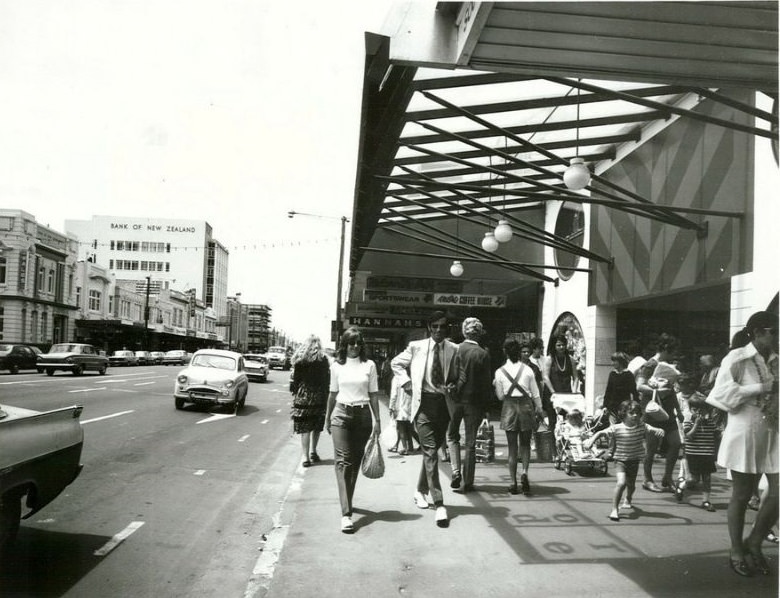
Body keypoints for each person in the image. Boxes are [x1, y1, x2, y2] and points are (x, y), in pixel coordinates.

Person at [706, 311, 778, 577]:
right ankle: (737, 549)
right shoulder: (736, 358)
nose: (777, 336)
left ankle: (755, 541)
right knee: (742, 494)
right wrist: (762, 388)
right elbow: (721, 395)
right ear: (759, 331)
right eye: (774, 331)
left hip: (772, 430)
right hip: (745, 429)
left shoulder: (776, 360)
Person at [391, 311, 459, 527]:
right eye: (435, 326)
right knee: (430, 451)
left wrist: (454, 385)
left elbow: (458, 375)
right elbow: (396, 364)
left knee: (432, 451)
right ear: (429, 327)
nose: (439, 330)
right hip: (422, 406)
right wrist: (407, 383)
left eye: (442, 326)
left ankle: (420, 491)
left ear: (447, 329)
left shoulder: (454, 349)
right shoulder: (416, 347)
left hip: (443, 405)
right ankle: (439, 504)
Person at [325, 328, 381, 534]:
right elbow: (332, 394)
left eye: (358, 343)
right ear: (344, 345)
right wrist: (327, 418)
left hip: (363, 416)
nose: (355, 346)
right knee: (343, 461)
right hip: (341, 414)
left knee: (354, 463)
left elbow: (374, 395)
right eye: (351, 343)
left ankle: (346, 500)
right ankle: (346, 514)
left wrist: (378, 420)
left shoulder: (370, 365)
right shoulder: (336, 366)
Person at [585, 400, 665, 521]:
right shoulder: (616, 428)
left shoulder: (642, 426)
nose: (635, 415)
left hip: (634, 460)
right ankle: (614, 509)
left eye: (637, 413)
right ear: (623, 414)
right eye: (631, 413)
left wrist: (659, 430)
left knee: (631, 485)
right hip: (620, 460)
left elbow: (654, 429)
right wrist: (591, 440)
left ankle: (628, 498)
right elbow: (601, 432)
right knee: (621, 483)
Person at [447, 317, 491, 493]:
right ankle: (468, 481)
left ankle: (455, 470)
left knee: (452, 436)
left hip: (454, 401)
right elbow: (486, 384)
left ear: (464, 332)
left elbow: (447, 375)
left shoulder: (455, 350)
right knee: (471, 443)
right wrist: (486, 408)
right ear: (479, 333)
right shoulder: (483, 354)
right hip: (474, 404)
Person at [493, 338, 542, 495]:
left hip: (509, 408)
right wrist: (540, 409)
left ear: (505, 352)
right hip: (526, 407)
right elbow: (535, 393)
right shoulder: (528, 370)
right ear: (519, 352)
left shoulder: (500, 372)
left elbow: (500, 397)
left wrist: (496, 385)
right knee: (526, 445)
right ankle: (525, 472)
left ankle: (513, 482)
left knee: (512, 448)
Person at [635, 333, 680, 493]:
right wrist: (656, 390)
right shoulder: (649, 365)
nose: (674, 355)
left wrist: (678, 410)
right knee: (652, 448)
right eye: (672, 351)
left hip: (668, 411)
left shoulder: (668, 366)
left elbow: (672, 390)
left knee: (676, 443)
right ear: (666, 349)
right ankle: (647, 479)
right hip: (653, 410)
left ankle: (667, 477)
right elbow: (640, 386)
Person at [289, 335, 331, 468]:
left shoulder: (300, 359)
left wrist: (296, 395)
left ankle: (305, 457)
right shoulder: (323, 359)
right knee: (317, 425)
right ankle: (313, 451)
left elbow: (295, 381)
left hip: (303, 395)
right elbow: (326, 381)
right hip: (319, 395)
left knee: (305, 427)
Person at [680, 399, 719, 511]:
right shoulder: (688, 421)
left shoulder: (710, 421)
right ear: (691, 410)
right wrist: (696, 424)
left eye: (701, 409)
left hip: (707, 454)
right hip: (693, 454)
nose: (698, 412)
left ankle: (705, 501)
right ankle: (682, 486)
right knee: (694, 479)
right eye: (694, 409)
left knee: (707, 478)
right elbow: (689, 436)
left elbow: (716, 433)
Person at [602, 351, 639, 424]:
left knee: (623, 426)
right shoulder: (612, 374)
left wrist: (636, 405)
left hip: (624, 406)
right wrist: (605, 405)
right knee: (613, 428)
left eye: (614, 361)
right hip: (612, 407)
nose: (612, 363)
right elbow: (608, 391)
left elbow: (634, 391)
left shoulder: (628, 375)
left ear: (621, 361)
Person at [529, 337, 556, 430]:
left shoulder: (545, 359)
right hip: (535, 391)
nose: (541, 350)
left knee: (546, 415)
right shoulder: (529, 361)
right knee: (535, 415)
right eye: (539, 348)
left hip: (545, 391)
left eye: (542, 348)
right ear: (533, 349)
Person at [389, 372, 416, 455]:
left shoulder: (397, 378)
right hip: (410, 406)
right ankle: (409, 446)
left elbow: (394, 394)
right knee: (408, 427)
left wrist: (391, 407)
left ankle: (404, 448)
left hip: (400, 406)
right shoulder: (412, 376)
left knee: (401, 428)